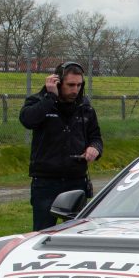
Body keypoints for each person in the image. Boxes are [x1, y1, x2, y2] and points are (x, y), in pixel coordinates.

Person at [19, 61, 102, 231]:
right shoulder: (39, 101)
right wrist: (50, 97)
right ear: (57, 82)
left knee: (77, 231)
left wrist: (94, 148)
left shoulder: (85, 108)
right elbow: (27, 120)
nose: (75, 90)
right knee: (43, 232)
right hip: (46, 181)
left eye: (79, 85)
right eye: (70, 85)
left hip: (76, 179)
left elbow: (96, 137)